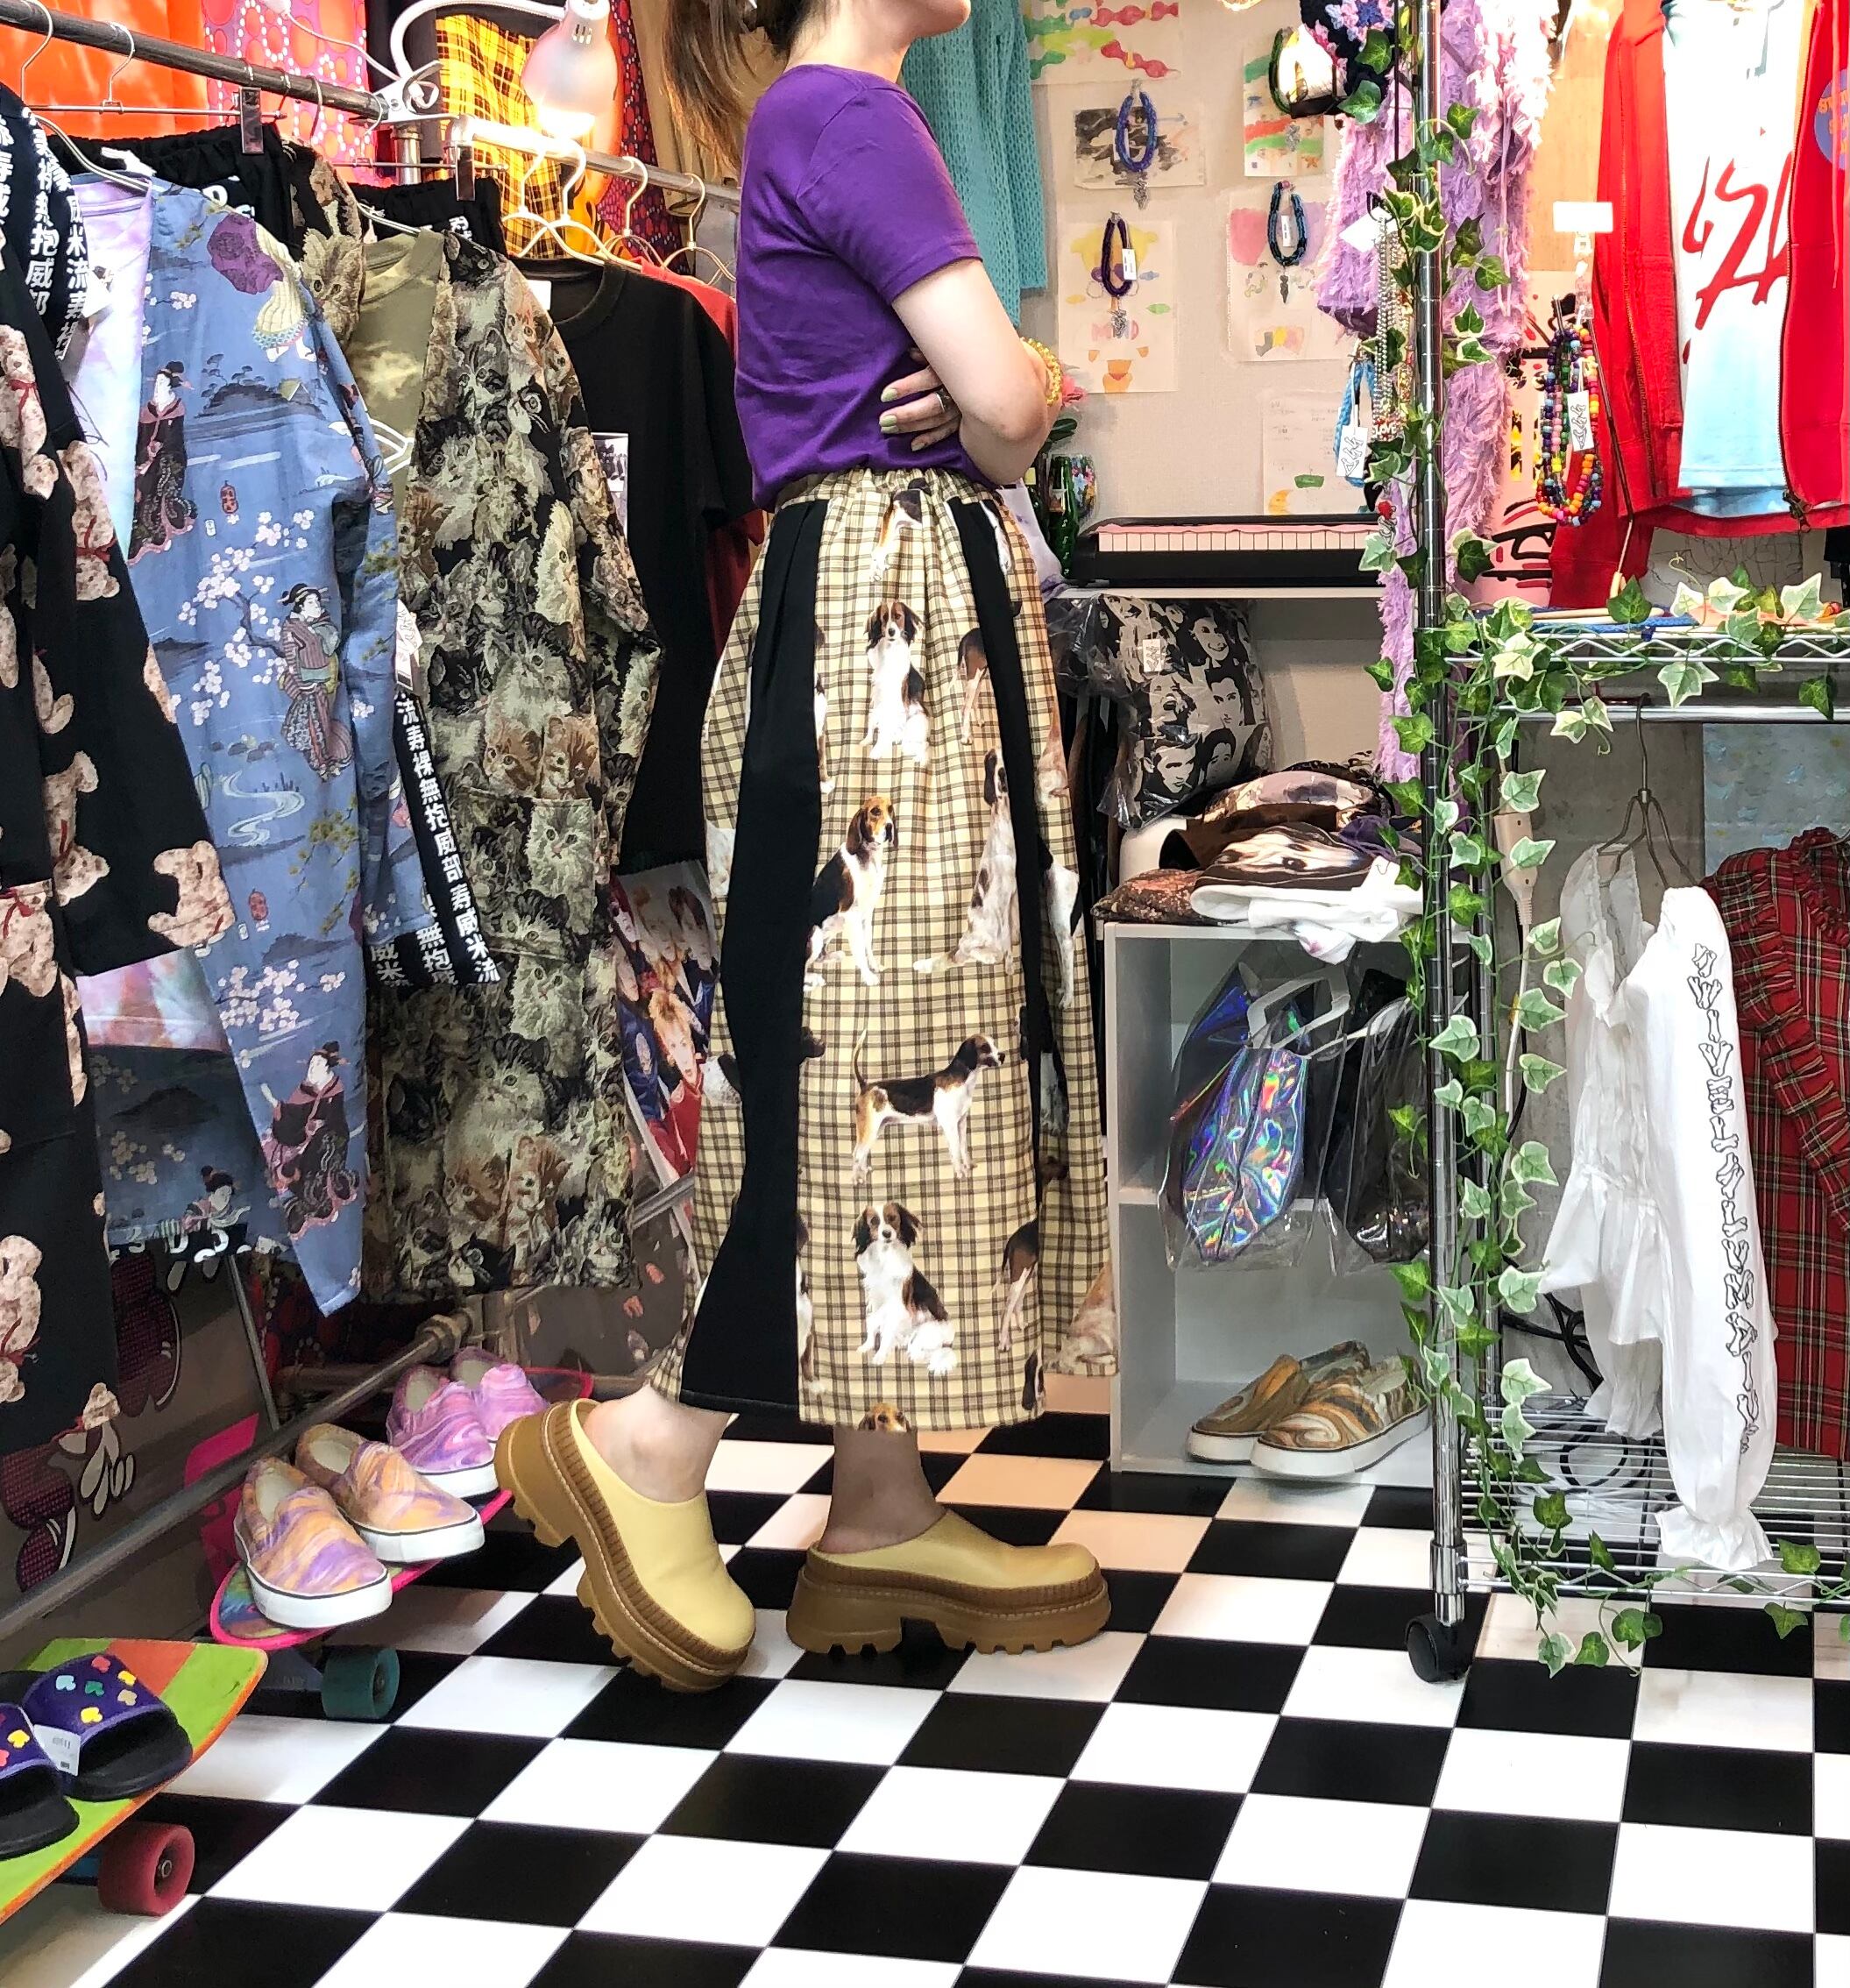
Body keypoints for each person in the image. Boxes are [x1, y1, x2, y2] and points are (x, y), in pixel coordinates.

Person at [494, 0, 1115, 1693]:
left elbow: (993, 415)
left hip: (859, 624)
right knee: (847, 1053)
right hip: (879, 647)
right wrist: (1024, 383)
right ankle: (647, 1445)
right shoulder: (853, 116)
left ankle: (881, 1506)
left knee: (867, 1035)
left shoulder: (821, 115)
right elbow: (1006, 403)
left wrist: (1005, 400)